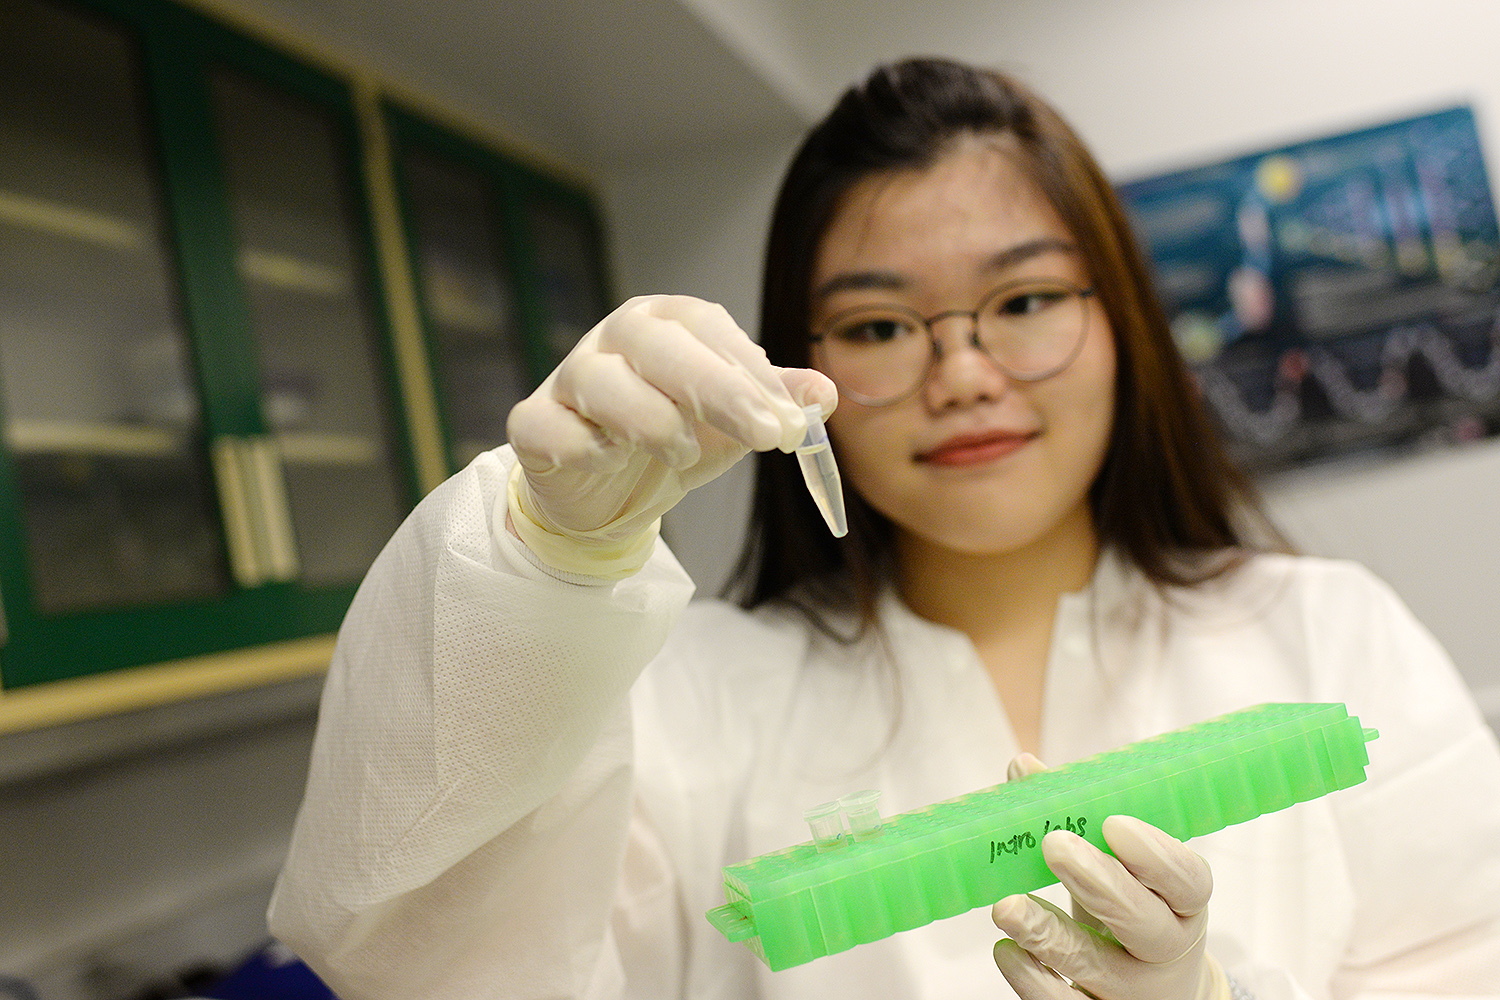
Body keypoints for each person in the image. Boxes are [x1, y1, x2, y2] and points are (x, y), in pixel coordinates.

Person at [268, 58, 1500, 1000]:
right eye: (876, 326)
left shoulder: (1330, 636)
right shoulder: (694, 704)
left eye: (1022, 301)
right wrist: (545, 563)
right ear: (800, 371)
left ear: (1122, 316)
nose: (962, 373)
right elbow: (427, 955)